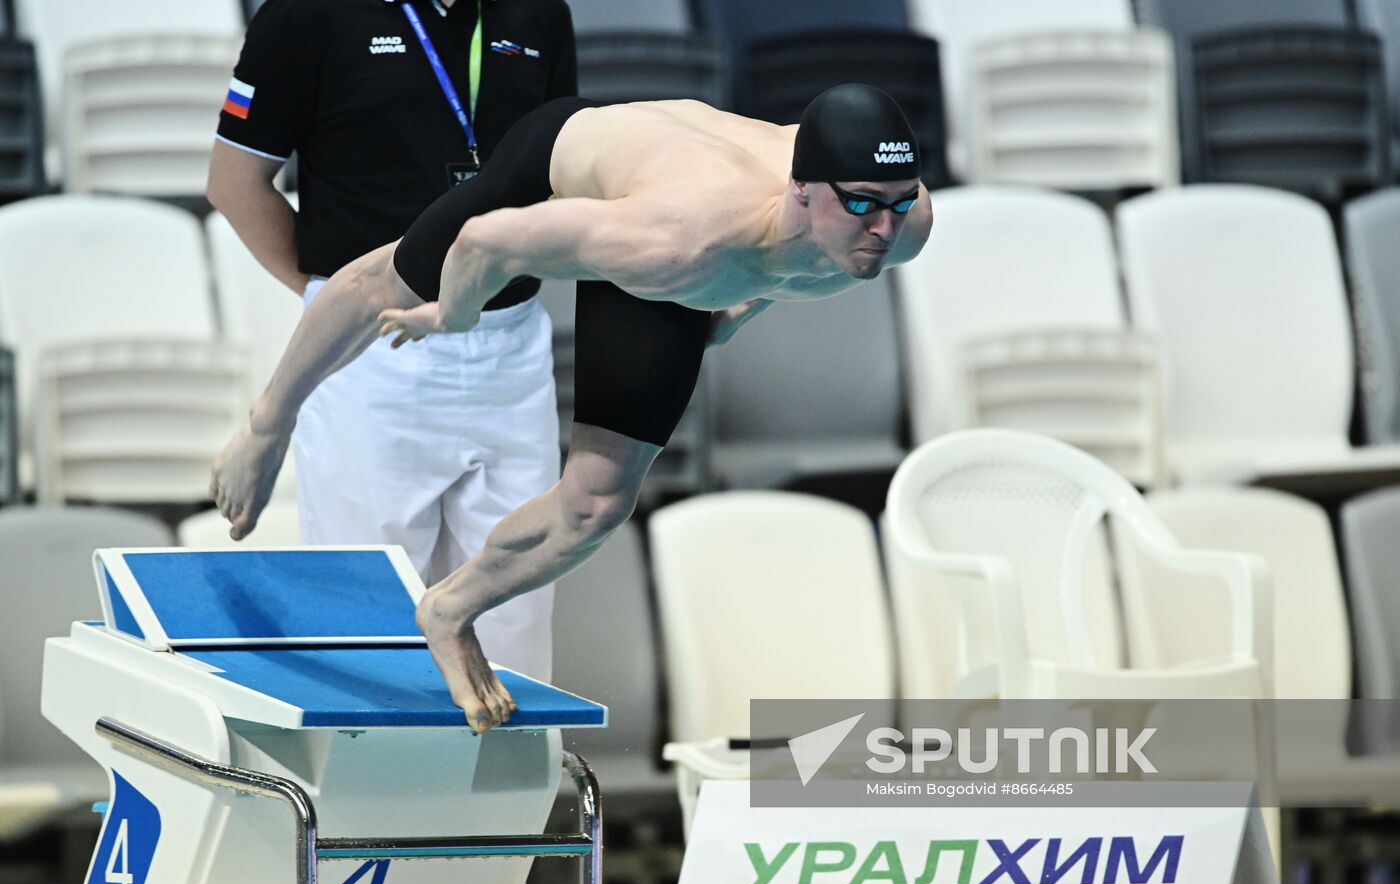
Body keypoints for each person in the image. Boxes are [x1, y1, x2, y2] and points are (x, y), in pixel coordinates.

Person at [210, 83, 933, 732]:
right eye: (864, 204)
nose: (884, 228)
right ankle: (266, 425)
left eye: (899, 202)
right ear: (804, 191)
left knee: (596, 505)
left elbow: (803, 254)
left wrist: (750, 299)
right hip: (571, 162)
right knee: (385, 284)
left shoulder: (904, 224)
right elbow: (487, 241)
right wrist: (455, 315)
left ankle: (450, 608)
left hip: (706, 246)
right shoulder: (676, 241)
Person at [206, 0, 576, 683]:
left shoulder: (538, 12)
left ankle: (506, 793)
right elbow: (233, 183)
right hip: (373, 355)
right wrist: (343, 301)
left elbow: (564, 179)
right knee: (369, 629)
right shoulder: (304, 15)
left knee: (515, 635)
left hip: (512, 346)